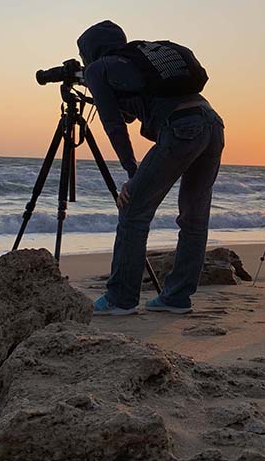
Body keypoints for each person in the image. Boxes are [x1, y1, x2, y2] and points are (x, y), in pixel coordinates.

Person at [77, 21, 224, 315]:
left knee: (133, 211)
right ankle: (176, 298)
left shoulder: (99, 69)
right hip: (213, 124)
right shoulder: (140, 60)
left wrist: (132, 174)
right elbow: (135, 112)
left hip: (182, 128)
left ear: (89, 51)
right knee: (194, 220)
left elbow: (114, 126)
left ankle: (121, 299)